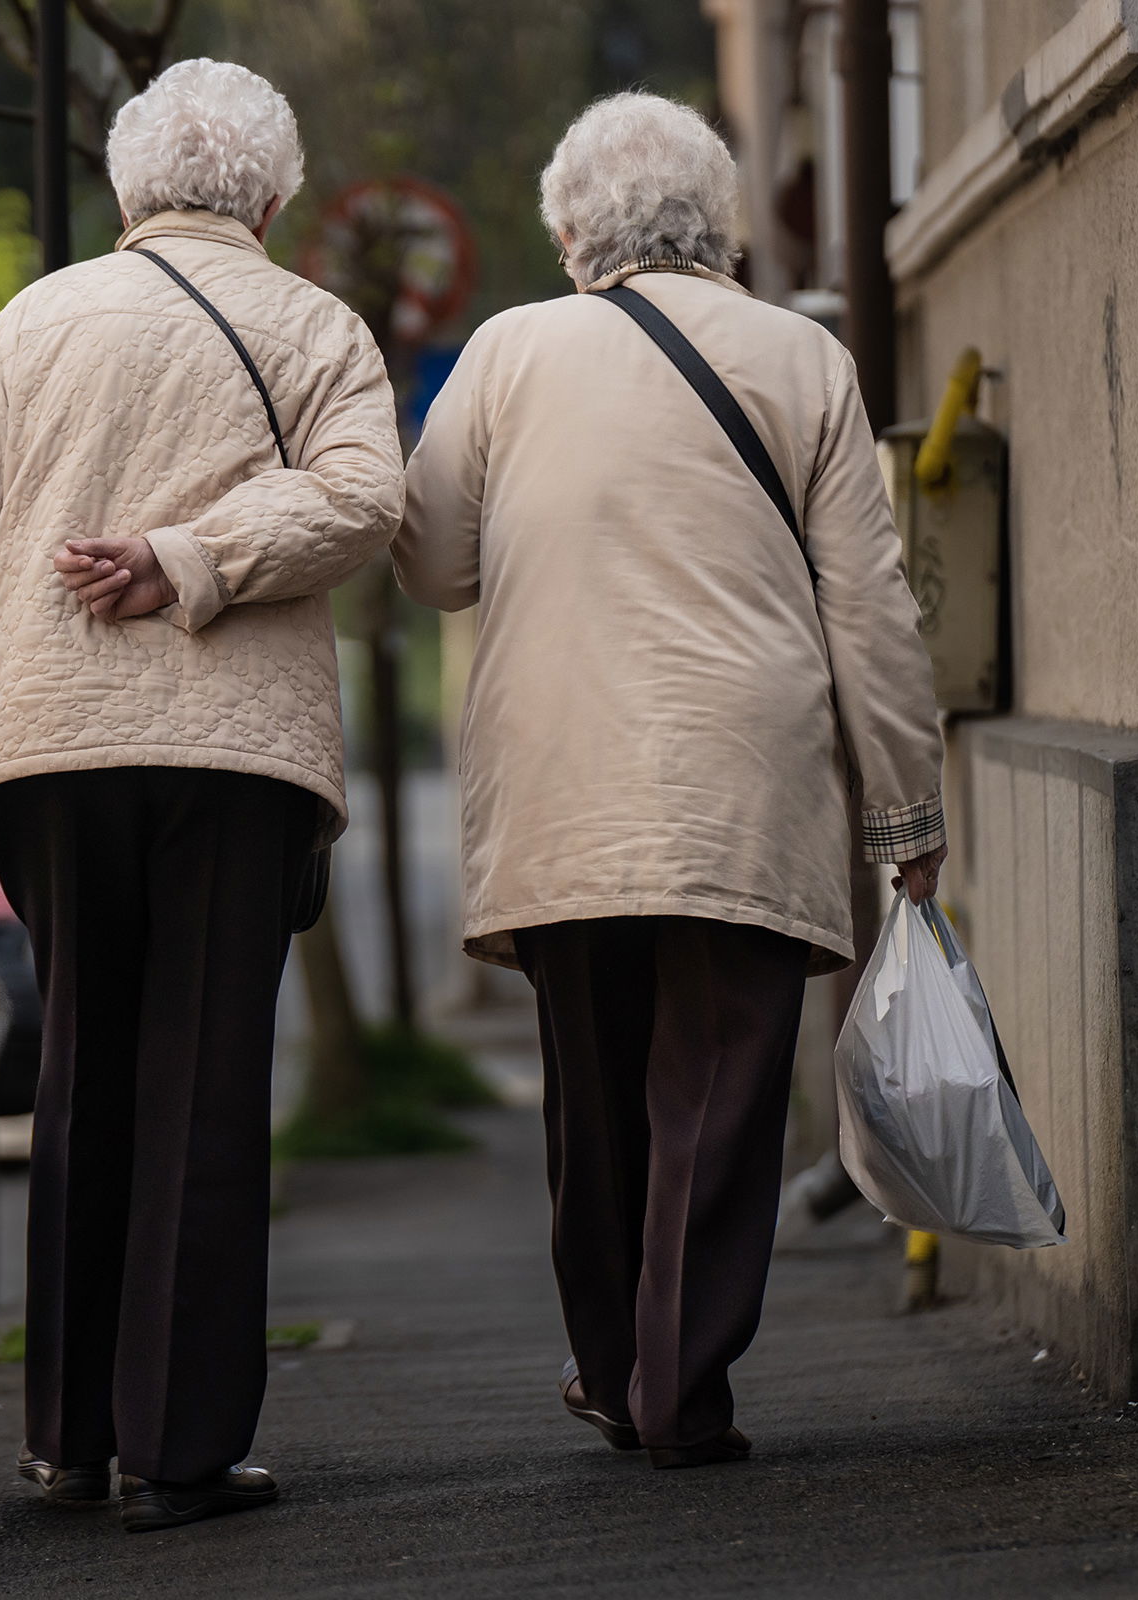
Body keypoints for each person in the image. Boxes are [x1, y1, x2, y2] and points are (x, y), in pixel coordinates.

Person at [0, 60, 403, 1532]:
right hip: (237, 762)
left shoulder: (40, 317)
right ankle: (178, 1450)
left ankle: (69, 1436)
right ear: (274, 199)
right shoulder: (319, 325)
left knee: (85, 1071)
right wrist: (201, 560)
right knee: (207, 1088)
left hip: (53, 751)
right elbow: (364, 499)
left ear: (125, 191)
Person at [392, 92, 947, 1469]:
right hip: (745, 779)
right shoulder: (801, 357)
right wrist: (908, 812)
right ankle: (678, 1386)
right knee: (722, 1086)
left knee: (593, 1091)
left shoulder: (508, 354)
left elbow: (431, 560)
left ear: (571, 229)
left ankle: (608, 1363)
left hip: (563, 779)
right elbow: (871, 609)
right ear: (727, 225)